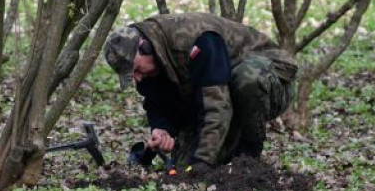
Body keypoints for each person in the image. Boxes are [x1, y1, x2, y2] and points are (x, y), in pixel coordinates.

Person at [104, 12, 297, 171]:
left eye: (136, 69)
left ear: (144, 46)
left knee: (248, 79)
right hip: (216, 92)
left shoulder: (199, 40)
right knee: (183, 170)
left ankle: (249, 156)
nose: (137, 77)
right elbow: (158, 102)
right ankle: (228, 152)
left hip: (271, 81)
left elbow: (217, 107)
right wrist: (162, 129)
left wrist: (203, 161)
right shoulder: (152, 61)